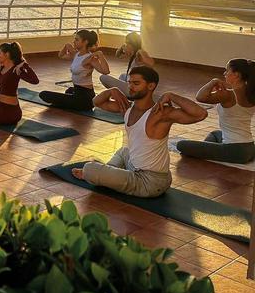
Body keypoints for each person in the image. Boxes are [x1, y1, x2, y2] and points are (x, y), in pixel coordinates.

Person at [72, 66, 207, 197]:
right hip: (135, 168)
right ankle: (106, 174)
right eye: (129, 83)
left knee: (90, 168)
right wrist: (112, 91)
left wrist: (171, 96)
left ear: (151, 86)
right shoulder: (128, 108)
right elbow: (96, 102)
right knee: (124, 151)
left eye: (136, 83)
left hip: (151, 181)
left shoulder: (160, 114)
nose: (131, 87)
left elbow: (201, 114)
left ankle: (100, 174)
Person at [175, 58, 255, 164]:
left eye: (227, 70)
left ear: (236, 75)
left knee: (181, 145)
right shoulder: (251, 94)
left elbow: (200, 97)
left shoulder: (228, 95)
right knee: (216, 133)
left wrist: (213, 82)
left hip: (235, 151)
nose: (224, 73)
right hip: (250, 147)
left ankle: (208, 151)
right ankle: (210, 150)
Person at [39, 29, 109, 111]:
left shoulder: (90, 59)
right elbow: (61, 55)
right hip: (77, 91)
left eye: (76, 40)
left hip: (85, 98)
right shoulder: (76, 54)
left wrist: (100, 55)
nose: (74, 42)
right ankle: (69, 102)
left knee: (44, 94)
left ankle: (75, 104)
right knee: (69, 90)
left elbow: (106, 71)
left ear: (85, 42)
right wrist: (66, 46)